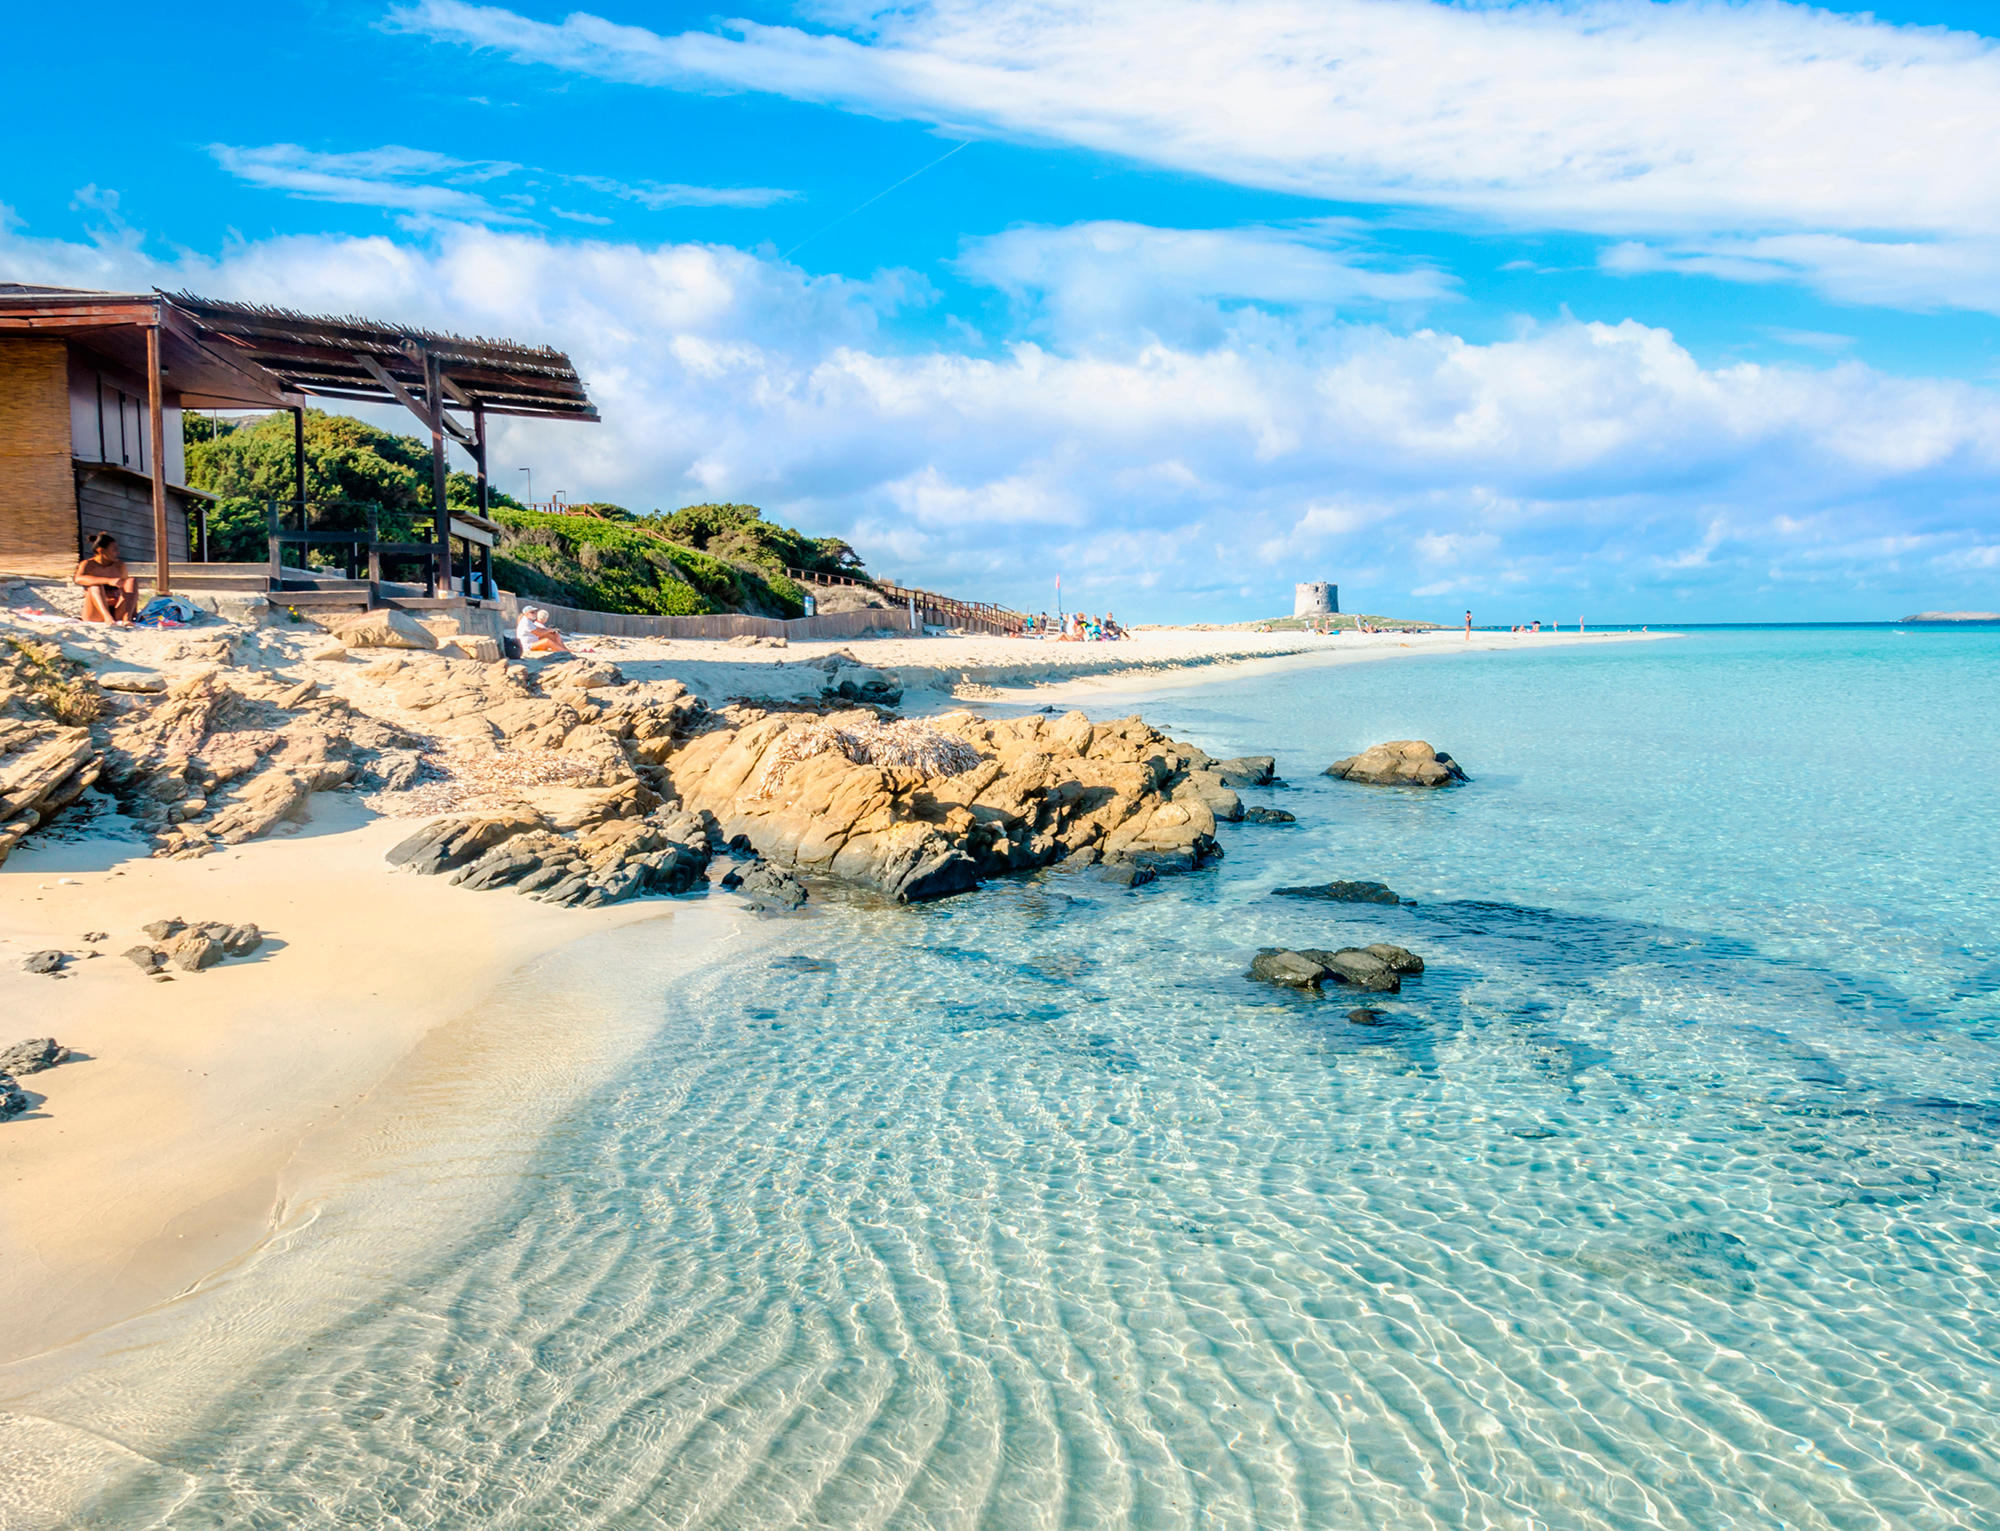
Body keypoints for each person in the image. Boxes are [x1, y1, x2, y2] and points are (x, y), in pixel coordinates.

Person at [74, 533, 140, 623]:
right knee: (95, 586)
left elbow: (129, 591)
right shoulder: (89, 564)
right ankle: (107, 617)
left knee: (131, 581)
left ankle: (127, 618)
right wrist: (108, 581)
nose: (117, 553)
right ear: (101, 551)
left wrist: (133, 611)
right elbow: (78, 579)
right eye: (114, 550)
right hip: (96, 611)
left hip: (117, 609)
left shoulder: (119, 566)